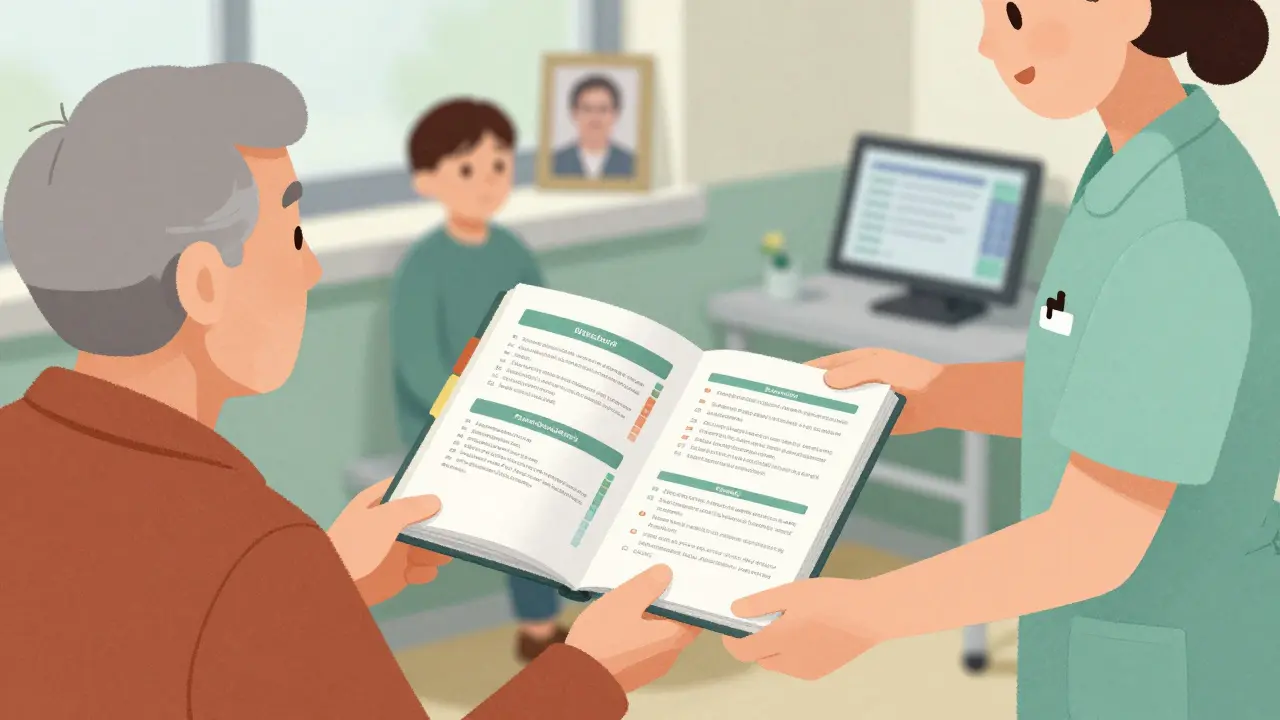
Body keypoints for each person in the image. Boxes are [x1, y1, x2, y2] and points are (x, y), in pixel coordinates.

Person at [0, 63, 698, 720]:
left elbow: (139, 640)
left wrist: (321, 588)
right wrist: (592, 672)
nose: (310, 270)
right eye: (294, 233)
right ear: (204, 283)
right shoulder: (253, 546)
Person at [722, 1, 1280, 718]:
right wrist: (945, 392)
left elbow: (1094, 541)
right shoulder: (1130, 165)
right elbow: (1110, 394)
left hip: (1170, 664)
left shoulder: (1181, 230)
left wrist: (869, 612)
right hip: (1097, 640)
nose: (989, 45)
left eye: (1013, 11)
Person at [390, 98, 571, 662]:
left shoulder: (513, 252)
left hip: (517, 409)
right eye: (467, 169)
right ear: (427, 180)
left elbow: (547, 330)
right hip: (443, 422)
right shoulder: (424, 265)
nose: (487, 182)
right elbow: (419, 365)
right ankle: (540, 626)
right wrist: (472, 408)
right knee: (526, 493)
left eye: (499, 165)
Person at [552, 75, 634, 179]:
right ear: (574, 113)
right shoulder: (554, 163)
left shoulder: (632, 164)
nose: (595, 117)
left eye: (603, 110)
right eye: (587, 109)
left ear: (615, 114)